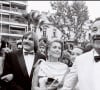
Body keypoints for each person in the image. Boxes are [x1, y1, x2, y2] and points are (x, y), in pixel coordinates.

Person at [59, 17, 100, 90]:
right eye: (95, 30)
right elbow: (67, 87)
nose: (98, 33)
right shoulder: (80, 60)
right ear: (90, 36)